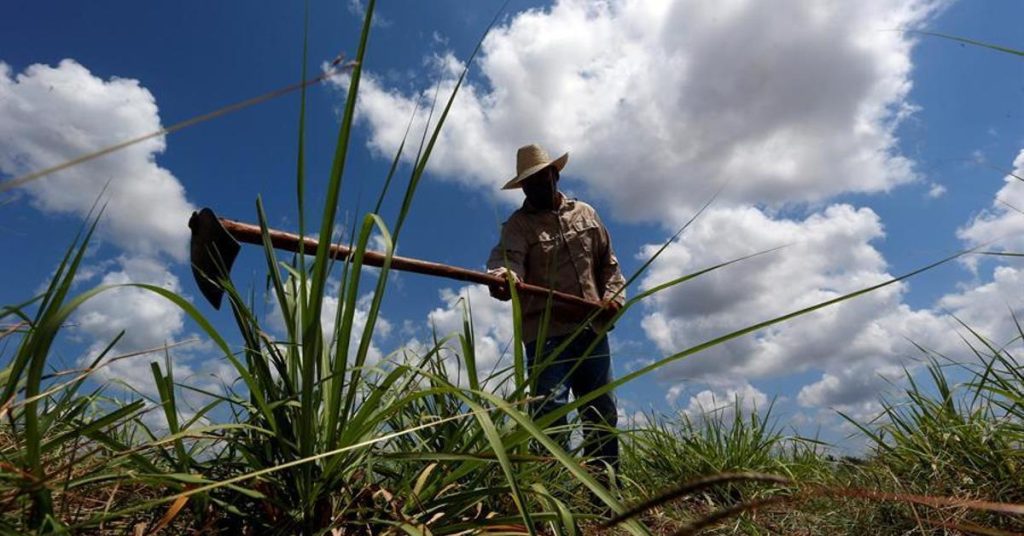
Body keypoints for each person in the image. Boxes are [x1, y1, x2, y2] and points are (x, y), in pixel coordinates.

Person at [486, 143, 626, 472]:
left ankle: (606, 491)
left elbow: (609, 266)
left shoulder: (586, 214)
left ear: (555, 175)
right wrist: (504, 277)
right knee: (550, 415)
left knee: (601, 411)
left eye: (541, 178)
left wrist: (613, 299)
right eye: (528, 183)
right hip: (547, 336)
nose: (535, 187)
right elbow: (507, 260)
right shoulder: (518, 226)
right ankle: (554, 495)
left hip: (591, 331)